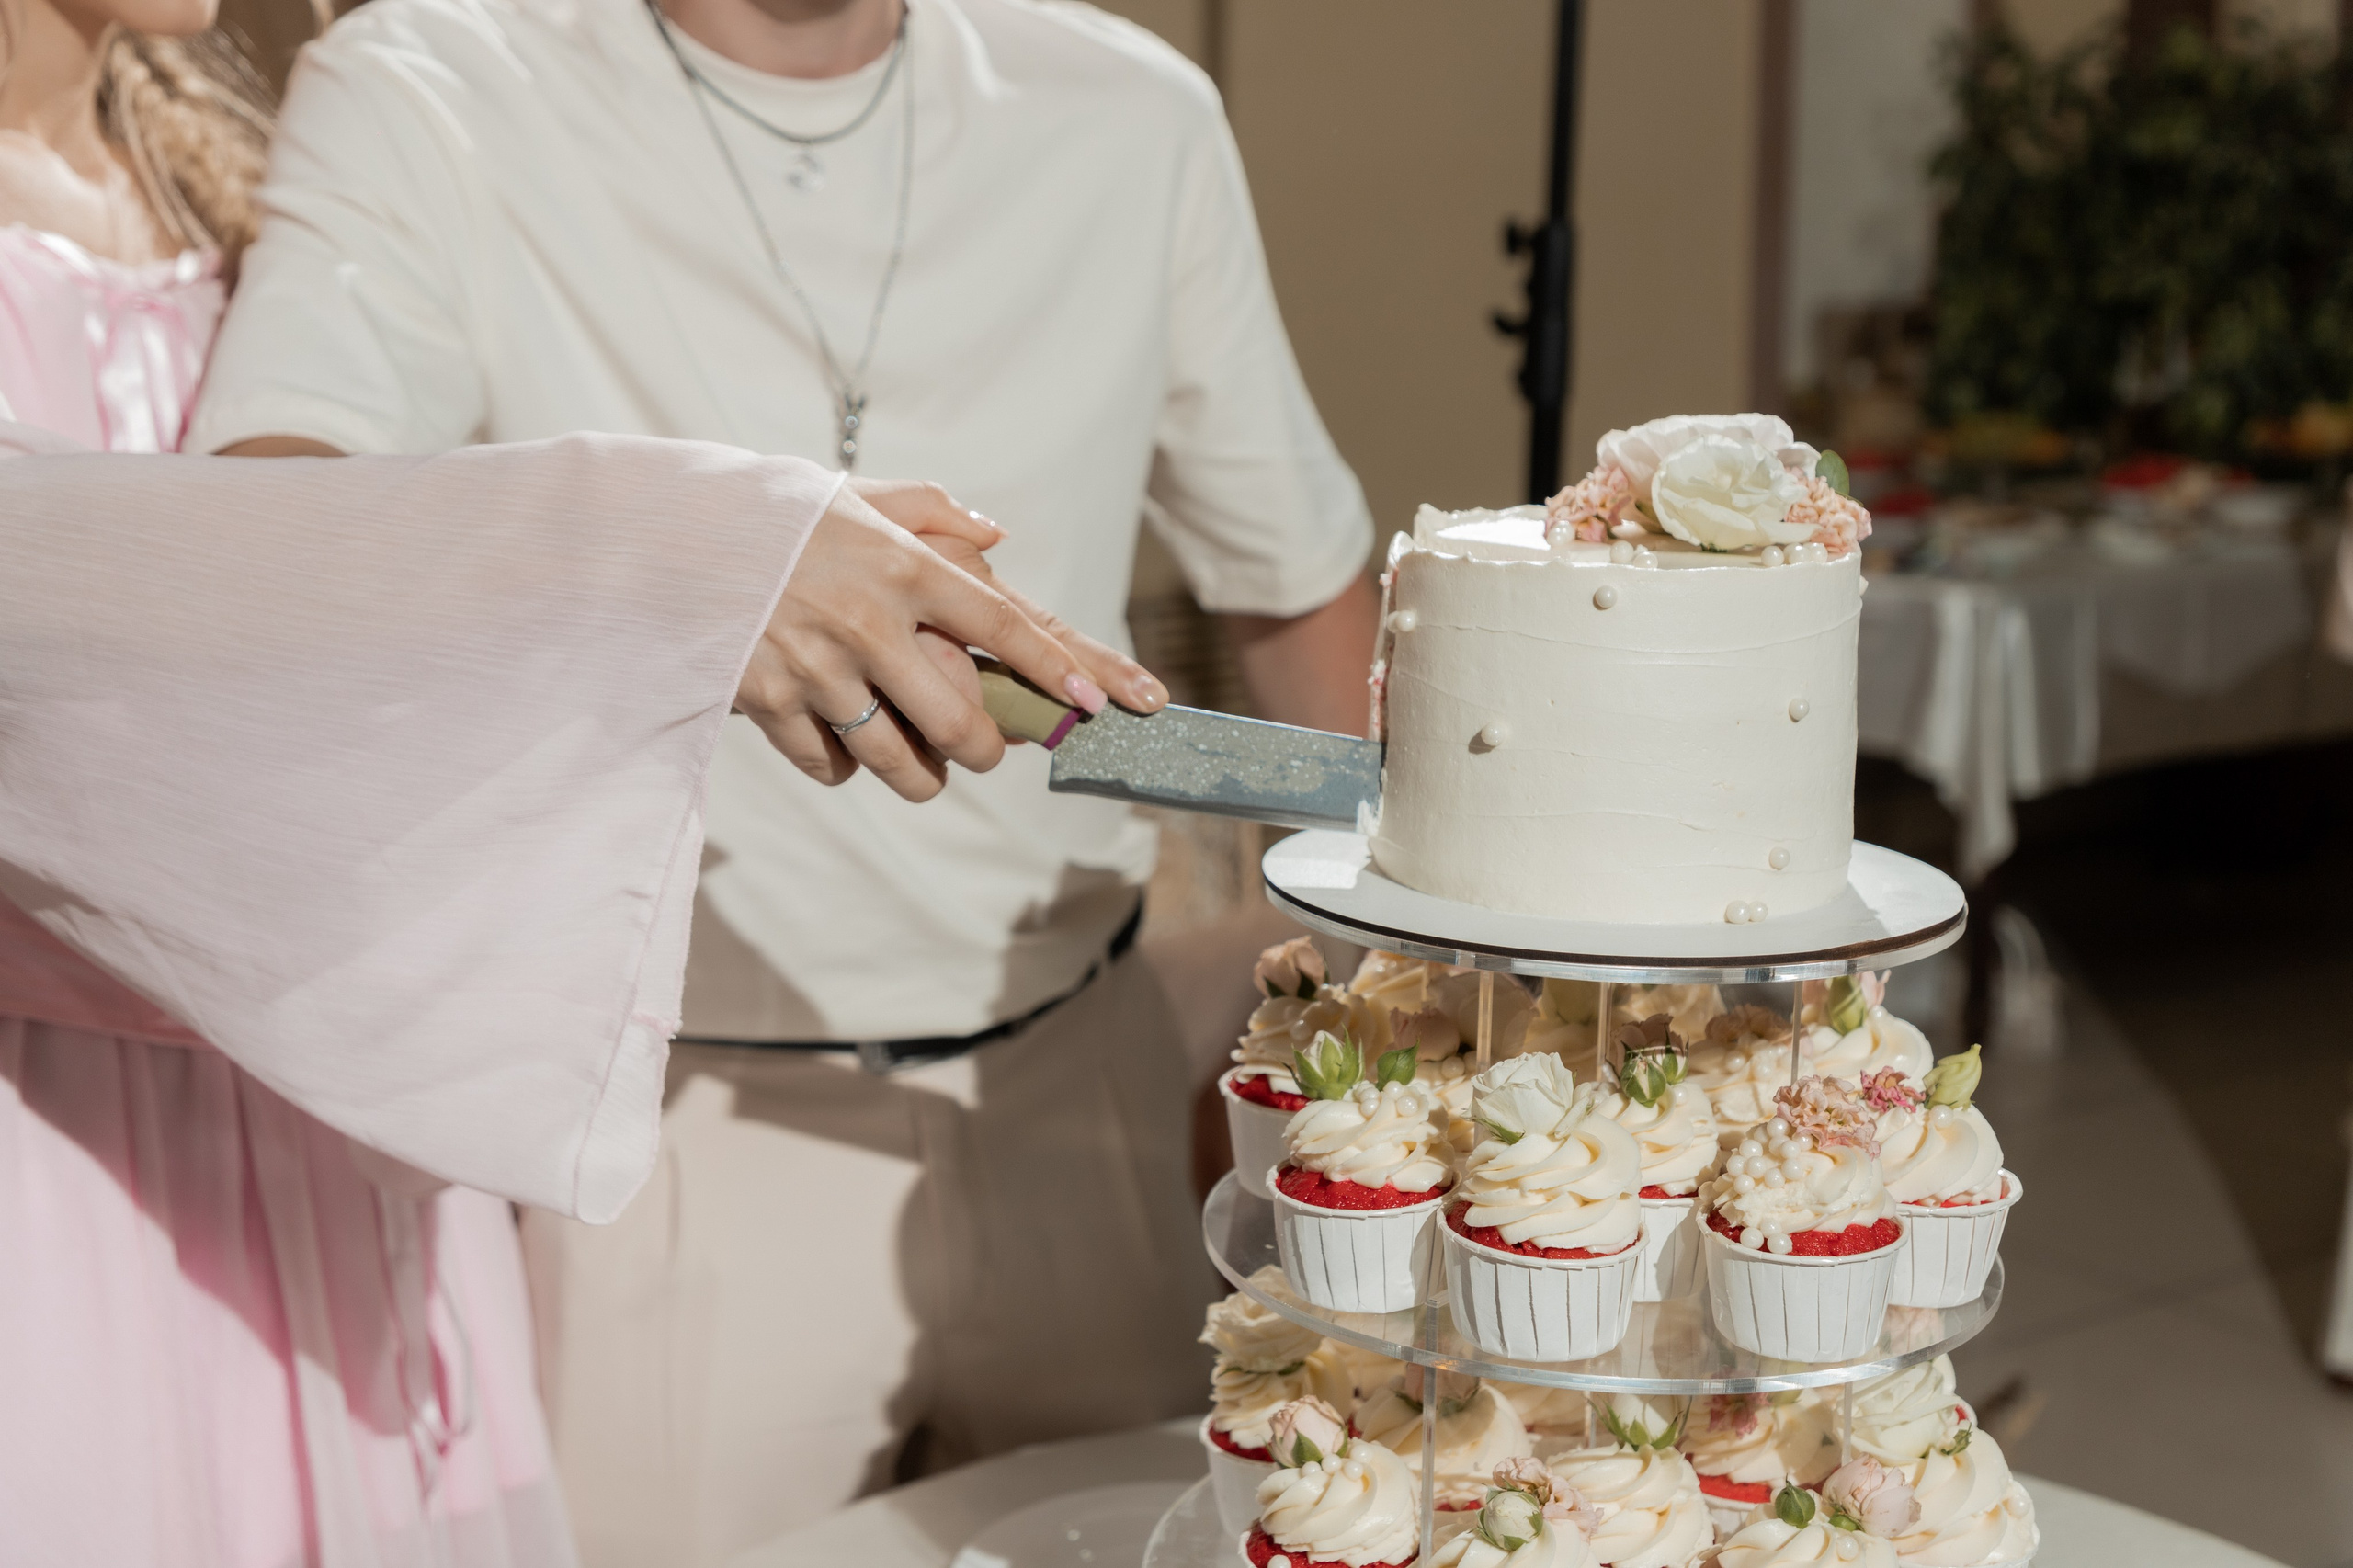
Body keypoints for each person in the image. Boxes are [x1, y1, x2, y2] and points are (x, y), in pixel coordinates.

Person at [188, 0, 1381, 1557]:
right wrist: (677, 554)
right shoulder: (430, 79)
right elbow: (265, 540)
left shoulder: (1131, 109)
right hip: (679, 1122)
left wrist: (1432, 976)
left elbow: (1292, 589)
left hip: (1078, 1089)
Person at [0, 0, 1139, 1558]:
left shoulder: (210, 158)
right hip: (66, 1184)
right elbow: (52, 601)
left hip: (322, 1135)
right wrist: (677, 556)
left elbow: (318, 641)